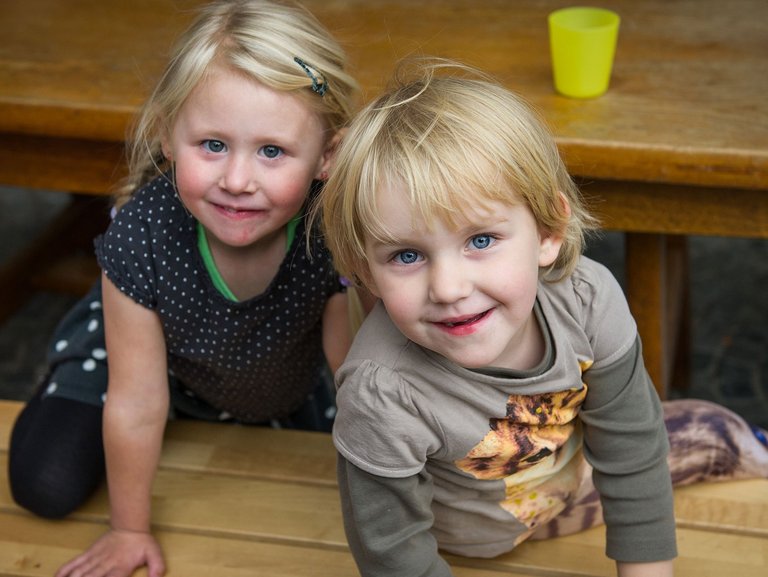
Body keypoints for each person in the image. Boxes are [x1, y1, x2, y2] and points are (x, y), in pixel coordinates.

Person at [314, 60, 768, 577]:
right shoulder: (381, 394)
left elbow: (633, 451)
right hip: (468, 545)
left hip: (574, 491)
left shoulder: (588, 299)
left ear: (549, 231)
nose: (448, 288)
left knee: (717, 429)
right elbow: (394, 553)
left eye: (480, 241)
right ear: (365, 271)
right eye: (406, 255)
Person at [8, 1, 359, 576]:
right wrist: (129, 530)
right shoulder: (142, 234)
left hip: (262, 376)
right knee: (44, 483)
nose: (238, 181)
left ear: (326, 156)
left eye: (272, 151)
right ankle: (64, 378)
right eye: (213, 145)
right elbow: (137, 403)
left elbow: (353, 375)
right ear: (169, 136)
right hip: (133, 363)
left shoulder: (330, 232)